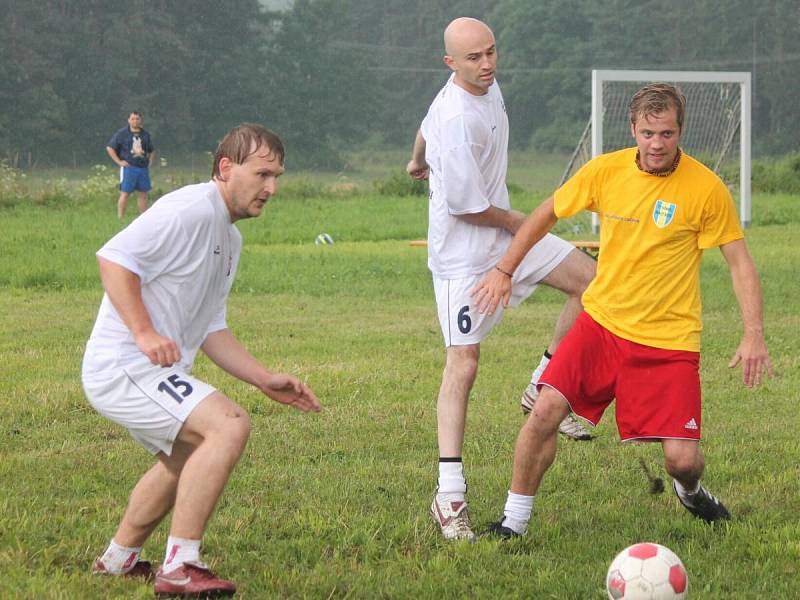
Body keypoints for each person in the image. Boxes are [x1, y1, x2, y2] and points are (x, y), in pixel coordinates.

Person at [473, 83, 773, 538]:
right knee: (545, 410)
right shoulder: (604, 171)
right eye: (648, 132)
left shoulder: (706, 188)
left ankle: (690, 492)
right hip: (603, 325)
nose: (657, 144)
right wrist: (505, 268)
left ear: (680, 132)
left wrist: (753, 332)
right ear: (633, 129)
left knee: (683, 460)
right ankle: (513, 522)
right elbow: (545, 213)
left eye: (667, 134)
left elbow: (740, 263)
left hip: (668, 340)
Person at [83, 123, 321, 596]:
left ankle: (118, 560)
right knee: (228, 424)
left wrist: (262, 378)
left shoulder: (229, 239)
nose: (271, 188)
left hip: (148, 370)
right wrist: (145, 332)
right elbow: (115, 259)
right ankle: (181, 564)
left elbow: (212, 326)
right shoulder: (191, 208)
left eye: (277, 177)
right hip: (125, 366)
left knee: (185, 455)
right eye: (262, 174)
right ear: (226, 168)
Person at [406, 17, 597, 541]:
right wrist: (529, 224)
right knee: (463, 364)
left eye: (491, 52)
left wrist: (416, 160)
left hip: (505, 232)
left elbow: (421, 126)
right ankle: (448, 495)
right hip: (465, 255)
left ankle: (543, 384)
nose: (487, 64)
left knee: (595, 283)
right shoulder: (455, 118)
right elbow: (468, 209)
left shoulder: (482, 85)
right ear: (451, 64)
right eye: (474, 58)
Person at [106, 111, 156, 218]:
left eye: (137, 119)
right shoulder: (122, 133)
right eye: (132, 119)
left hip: (143, 168)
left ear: (140, 120)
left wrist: (150, 162)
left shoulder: (145, 135)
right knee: (125, 193)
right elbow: (110, 148)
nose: (135, 121)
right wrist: (119, 162)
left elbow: (151, 150)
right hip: (129, 168)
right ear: (128, 120)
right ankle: (120, 217)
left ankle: (143, 218)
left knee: (143, 193)